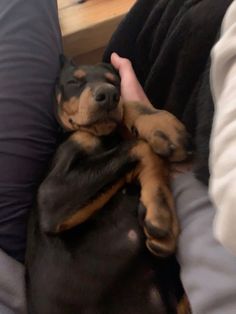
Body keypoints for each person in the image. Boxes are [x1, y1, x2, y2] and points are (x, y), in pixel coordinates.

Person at [0, 1, 236, 314]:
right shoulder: (75, 149)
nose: (102, 92)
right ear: (57, 101)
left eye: (112, 89)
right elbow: (55, 212)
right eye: (76, 82)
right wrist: (143, 152)